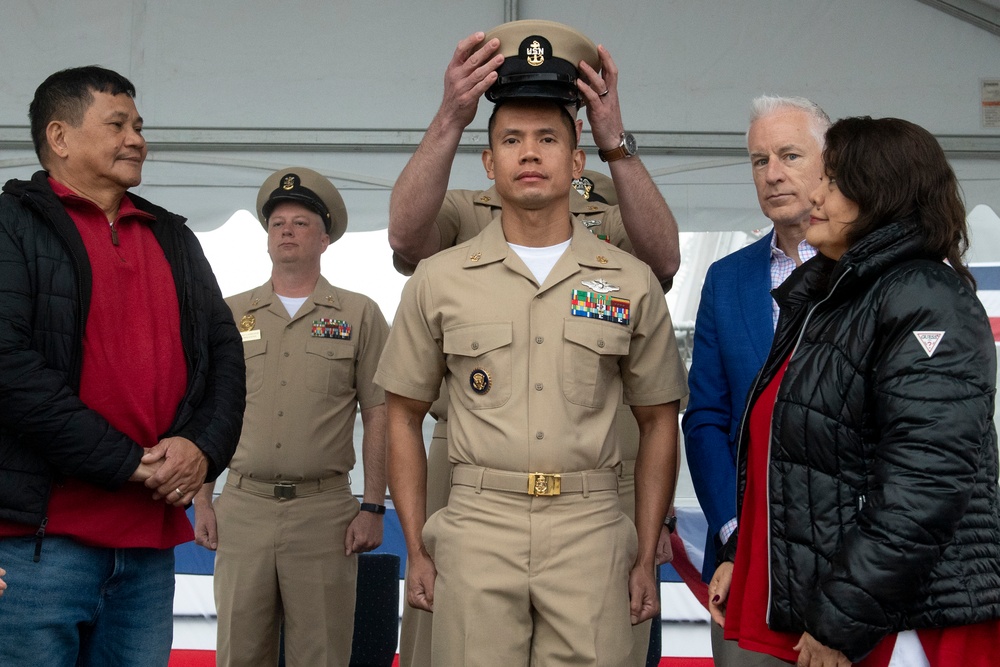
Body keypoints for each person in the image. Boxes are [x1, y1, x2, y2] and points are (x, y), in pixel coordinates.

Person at [388, 21, 681, 667]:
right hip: (477, 518)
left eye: (549, 138)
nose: (530, 153)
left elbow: (661, 416)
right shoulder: (446, 267)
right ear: (488, 162)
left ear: (577, 164)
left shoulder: (624, 274)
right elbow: (400, 410)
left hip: (592, 522)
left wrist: (644, 544)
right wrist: (416, 545)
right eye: (512, 139)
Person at [708, 116, 1000, 667]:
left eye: (835, 181)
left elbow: (925, 485)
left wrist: (842, 618)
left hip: (905, 626)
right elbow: (805, 463)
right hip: (849, 614)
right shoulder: (836, 294)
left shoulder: (923, 298)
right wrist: (739, 551)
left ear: (882, 196)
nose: (815, 192)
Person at [0, 66, 246, 666]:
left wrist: (200, 449)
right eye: (117, 124)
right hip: (38, 547)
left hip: (146, 551)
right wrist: (131, 463)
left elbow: (225, 356)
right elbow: (9, 370)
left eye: (138, 125)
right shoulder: (11, 226)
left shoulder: (174, 238)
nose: (137, 138)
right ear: (59, 137)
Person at [193, 167, 390, 667]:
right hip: (244, 507)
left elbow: (382, 412)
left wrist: (372, 506)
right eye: (277, 222)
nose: (286, 230)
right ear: (266, 239)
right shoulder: (229, 314)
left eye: (301, 222)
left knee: (321, 654)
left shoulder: (359, 314)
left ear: (325, 239)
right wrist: (202, 499)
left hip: (324, 515)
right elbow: (203, 408)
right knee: (239, 652)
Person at [682, 95, 827, 664]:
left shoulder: (868, 271)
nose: (772, 174)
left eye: (790, 154)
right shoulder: (726, 279)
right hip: (748, 565)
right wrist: (732, 536)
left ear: (827, 162)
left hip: (854, 567)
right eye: (758, 160)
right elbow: (707, 420)